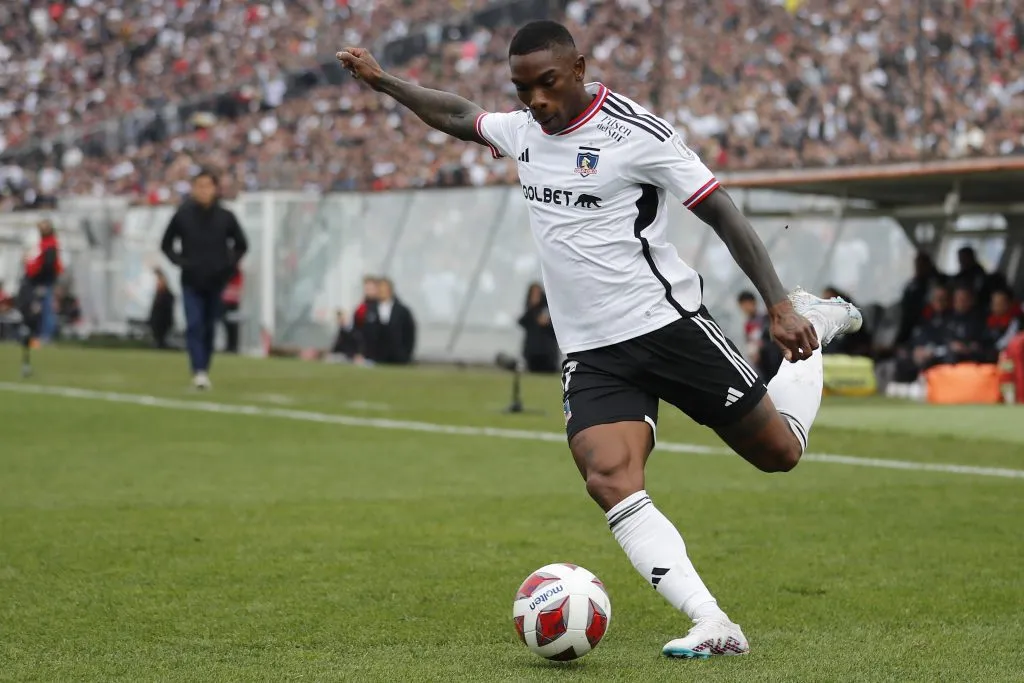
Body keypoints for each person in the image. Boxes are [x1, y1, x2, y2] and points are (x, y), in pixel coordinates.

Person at [338, 20, 861, 659]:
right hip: (592, 351)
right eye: (522, 88)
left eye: (547, 83)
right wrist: (383, 81)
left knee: (778, 454)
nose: (534, 100)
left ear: (580, 68)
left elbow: (721, 211)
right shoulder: (526, 131)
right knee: (609, 476)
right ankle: (713, 623)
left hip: (669, 328)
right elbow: (459, 115)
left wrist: (779, 305)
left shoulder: (637, 134)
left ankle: (814, 328)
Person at [160, 168, 248, 389]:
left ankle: (204, 367)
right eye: (199, 186)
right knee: (194, 324)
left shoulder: (225, 217)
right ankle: (198, 369)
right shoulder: (183, 214)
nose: (203, 191)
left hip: (216, 281)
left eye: (207, 186)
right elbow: (167, 244)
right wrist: (181, 262)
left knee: (209, 325)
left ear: (215, 189)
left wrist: (227, 267)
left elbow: (241, 245)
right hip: (191, 280)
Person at [23, 218, 63, 343]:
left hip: (45, 280)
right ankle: (41, 334)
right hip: (40, 280)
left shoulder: (50, 244)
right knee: (41, 308)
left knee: (46, 308)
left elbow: (49, 265)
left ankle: (46, 335)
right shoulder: (44, 243)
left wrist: (42, 280)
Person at [363, 278, 416, 365]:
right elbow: (366, 332)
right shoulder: (370, 310)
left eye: (384, 289)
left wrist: (406, 354)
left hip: (398, 358)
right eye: (379, 289)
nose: (381, 291)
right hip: (376, 357)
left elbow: (409, 333)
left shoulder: (402, 311)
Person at [518, 282, 560, 373]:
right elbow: (522, 321)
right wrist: (532, 307)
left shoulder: (549, 306)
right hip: (532, 351)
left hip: (547, 352)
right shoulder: (529, 308)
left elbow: (557, 328)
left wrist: (547, 323)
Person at [149, 268, 176, 349]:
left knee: (161, 340)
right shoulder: (161, 295)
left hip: (162, 321)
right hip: (158, 321)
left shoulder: (166, 295)